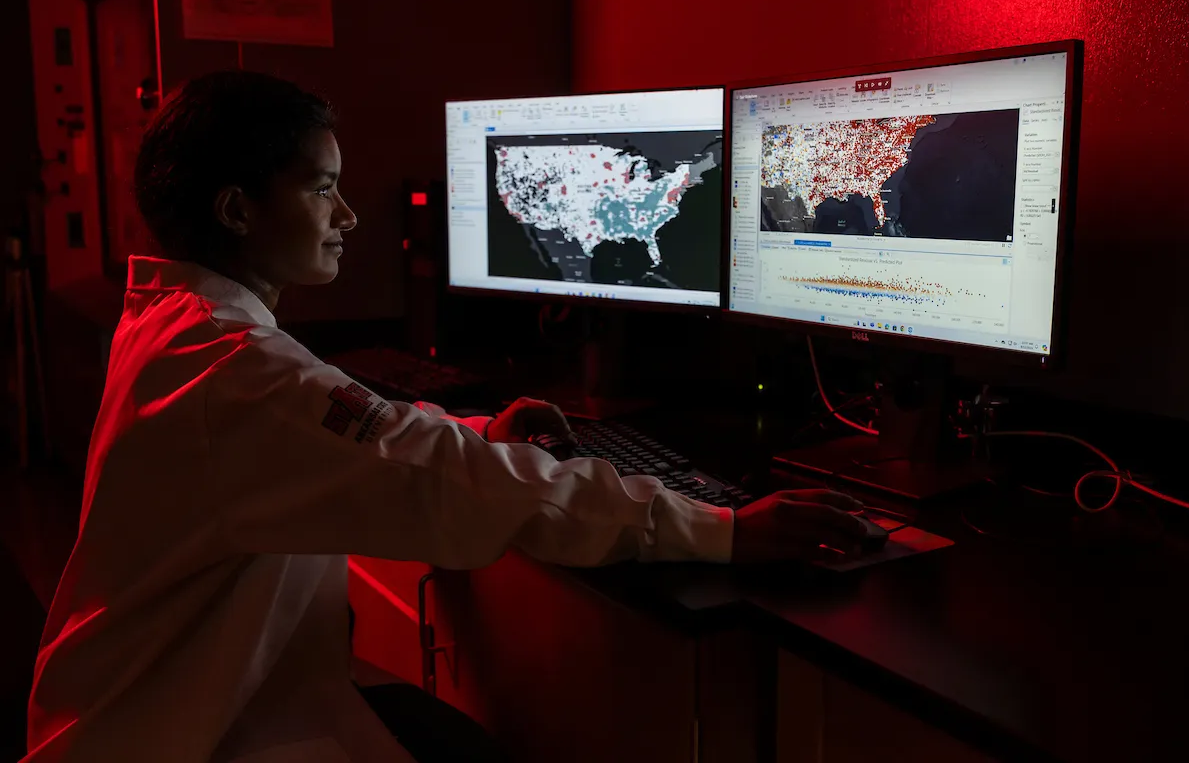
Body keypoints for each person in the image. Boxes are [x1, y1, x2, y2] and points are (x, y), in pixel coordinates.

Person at [24, 71, 881, 763]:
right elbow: (429, 471)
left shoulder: (182, 326)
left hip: (205, 696)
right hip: (184, 732)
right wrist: (723, 529)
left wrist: (473, 435)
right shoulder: (236, 373)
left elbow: (377, 449)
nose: (349, 216)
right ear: (238, 210)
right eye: (323, 189)